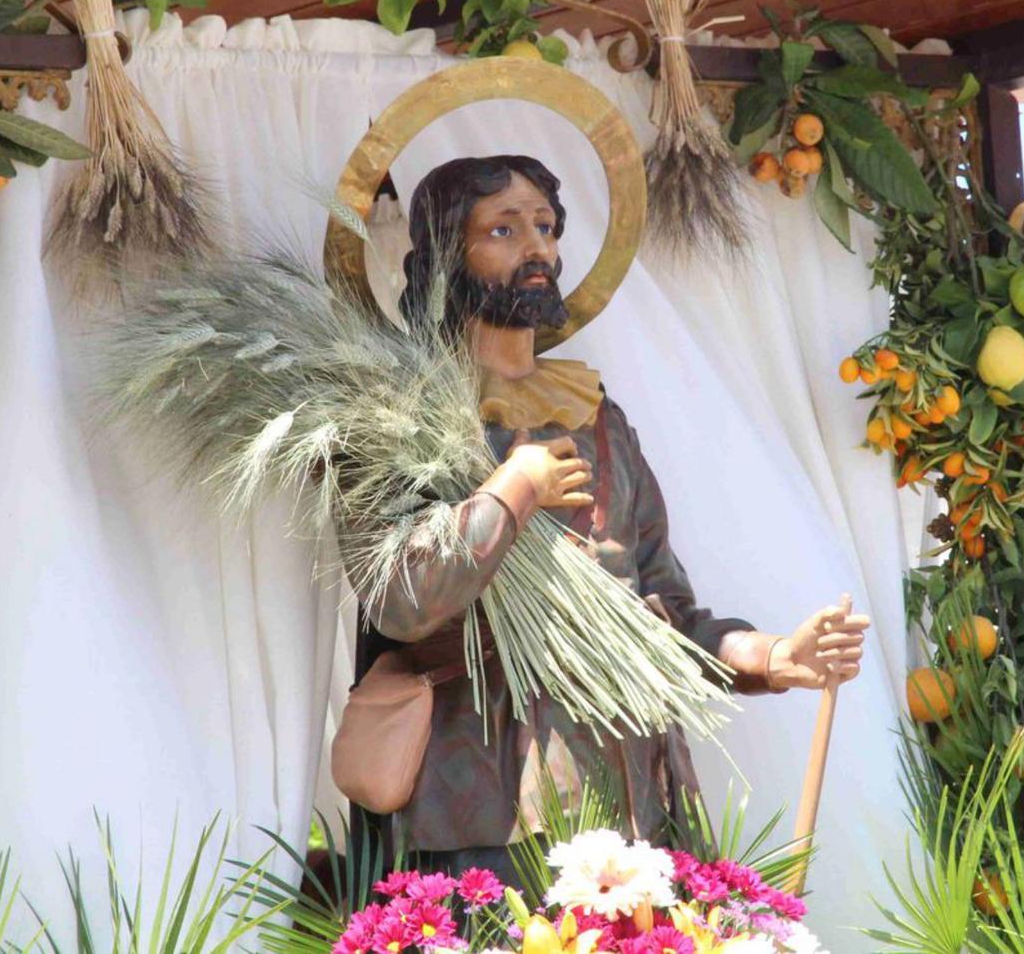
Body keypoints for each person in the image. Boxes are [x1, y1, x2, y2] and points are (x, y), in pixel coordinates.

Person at [346, 154, 870, 878]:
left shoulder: (600, 418)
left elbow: (657, 604)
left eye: (546, 227)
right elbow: (401, 600)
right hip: (488, 811)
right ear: (443, 256)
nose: (538, 249)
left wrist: (771, 656)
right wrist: (512, 491)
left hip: (637, 798)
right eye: (503, 229)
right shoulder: (395, 417)